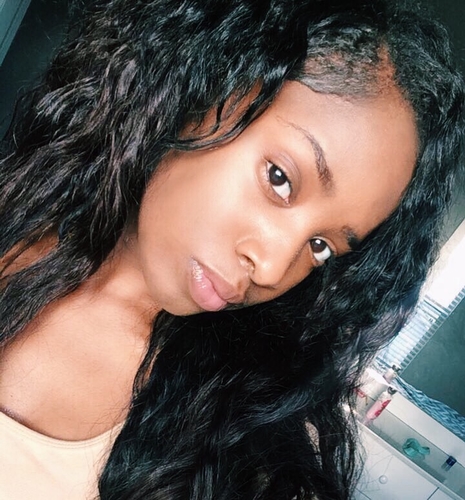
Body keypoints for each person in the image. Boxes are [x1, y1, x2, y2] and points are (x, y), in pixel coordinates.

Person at [0, 0, 463, 499]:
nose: (272, 268)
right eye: (280, 179)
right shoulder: (17, 209)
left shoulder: (228, 444)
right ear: (207, 82)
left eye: (320, 246)